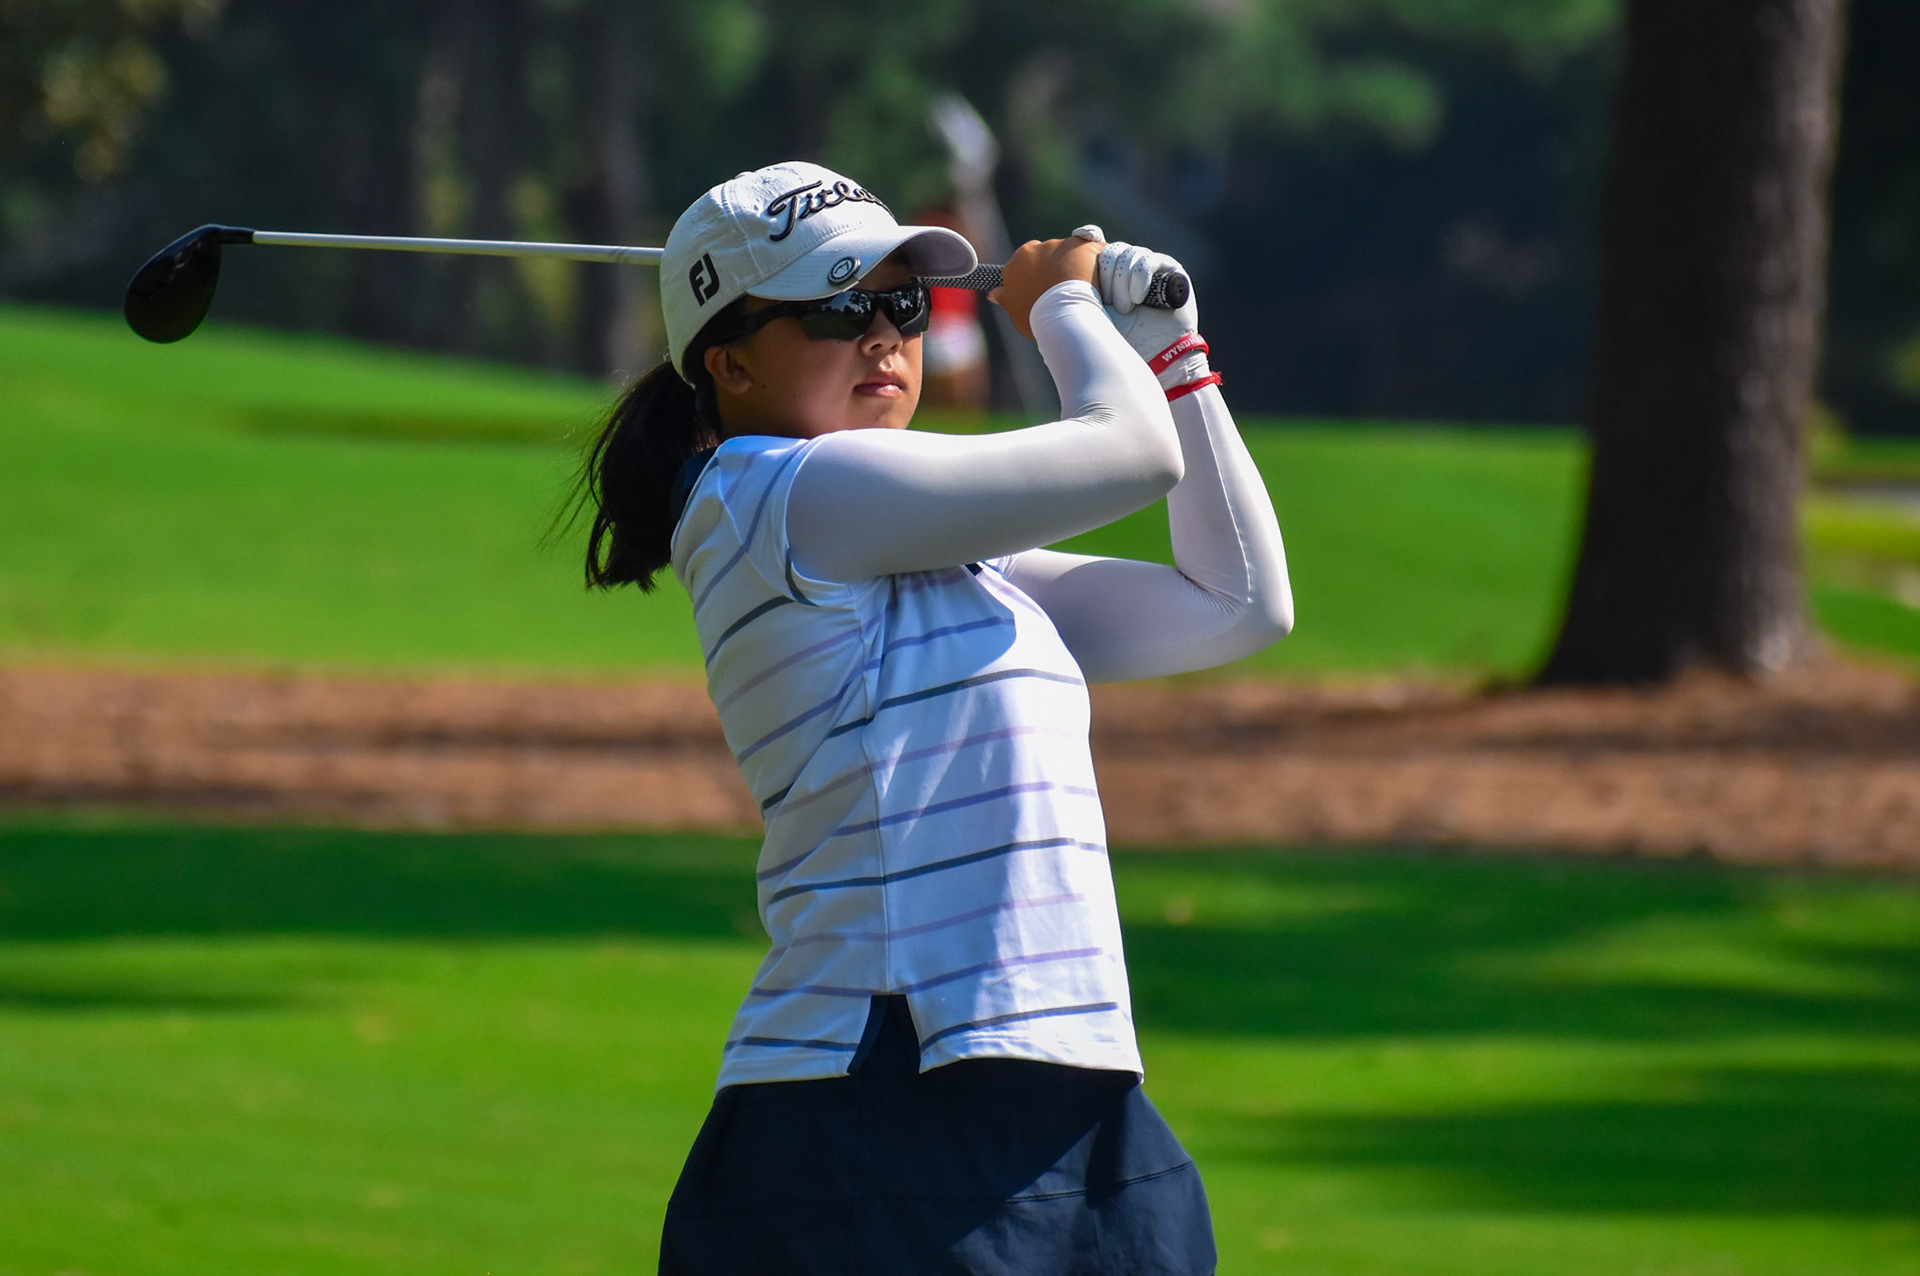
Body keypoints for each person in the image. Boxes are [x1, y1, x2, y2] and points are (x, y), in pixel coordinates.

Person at [574, 160, 1291, 1275]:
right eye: (837, 309)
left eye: (904, 305)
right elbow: (1130, 452)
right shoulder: (768, 497)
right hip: (877, 1093)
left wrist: (1175, 357)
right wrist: (1061, 306)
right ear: (729, 362)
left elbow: (1238, 603)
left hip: (1068, 1082)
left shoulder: (965, 560)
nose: (884, 337)